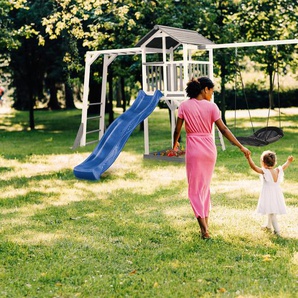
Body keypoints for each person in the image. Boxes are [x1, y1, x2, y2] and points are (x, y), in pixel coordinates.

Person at [172, 77, 250, 240]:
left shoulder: (184, 106)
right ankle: (206, 224)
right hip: (209, 151)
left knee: (194, 189)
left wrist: (175, 144)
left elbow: (177, 129)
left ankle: (204, 230)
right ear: (205, 89)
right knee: (204, 188)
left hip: (194, 151)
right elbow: (223, 129)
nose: (211, 94)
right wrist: (240, 146)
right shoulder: (212, 107)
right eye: (211, 91)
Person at [246, 150, 294, 236]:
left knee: (272, 213)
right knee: (270, 210)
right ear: (274, 162)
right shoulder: (277, 170)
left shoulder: (264, 171)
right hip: (276, 194)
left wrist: (249, 158)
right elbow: (284, 166)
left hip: (269, 195)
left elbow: (253, 167)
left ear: (263, 162)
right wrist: (288, 161)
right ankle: (268, 225)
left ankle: (277, 231)